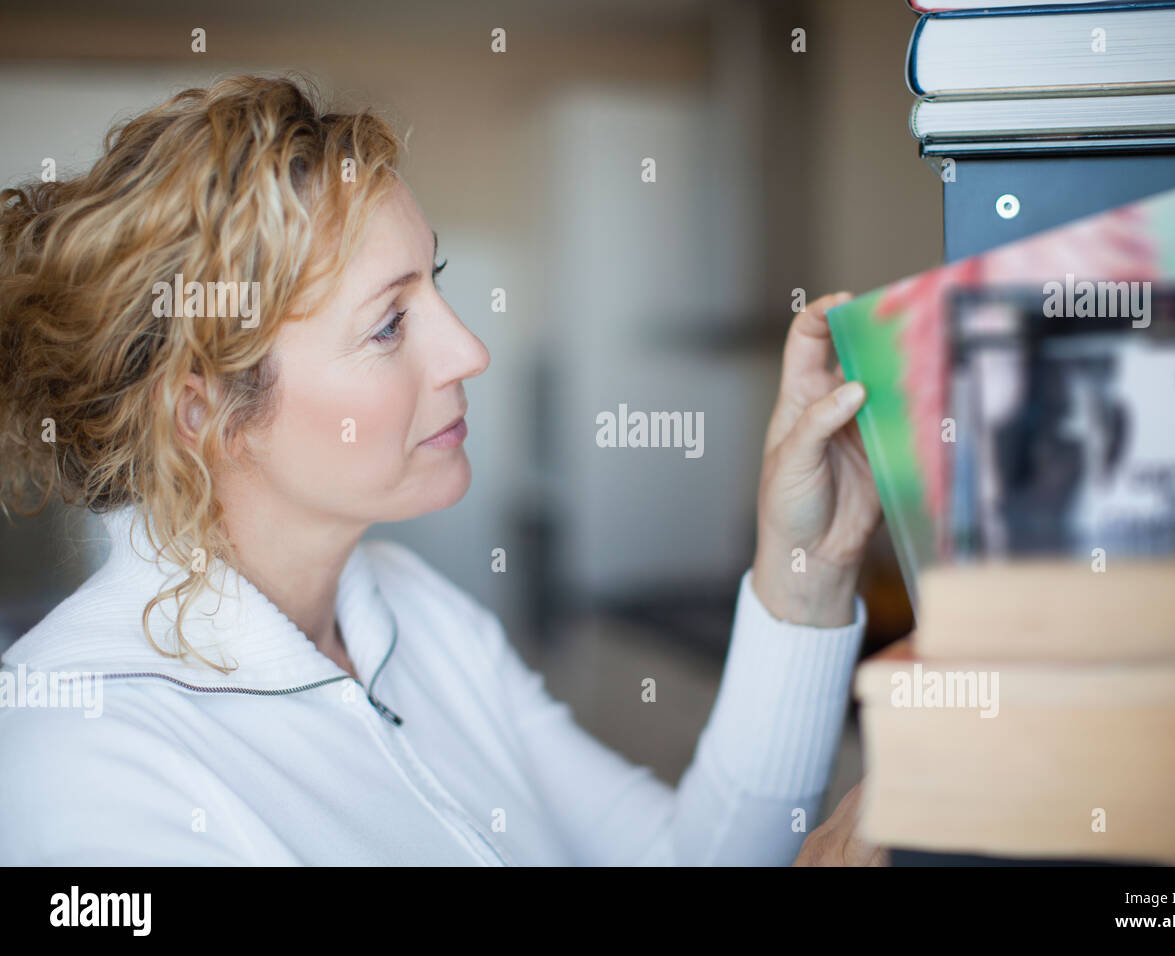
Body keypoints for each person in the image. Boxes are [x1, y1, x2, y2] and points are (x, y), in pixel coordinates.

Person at [0, 74, 883, 865]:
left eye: (438, 283)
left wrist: (808, 568)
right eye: (389, 323)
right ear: (202, 413)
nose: (469, 349)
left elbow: (686, 857)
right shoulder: (81, 751)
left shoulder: (422, 614)